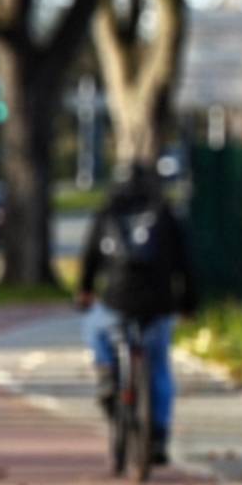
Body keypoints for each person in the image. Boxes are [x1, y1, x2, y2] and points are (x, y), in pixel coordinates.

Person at [77, 164, 201, 466]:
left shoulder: (107, 212)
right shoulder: (166, 215)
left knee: (94, 327)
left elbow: (90, 256)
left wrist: (85, 291)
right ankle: (157, 433)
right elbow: (185, 263)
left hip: (116, 300)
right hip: (159, 303)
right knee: (158, 366)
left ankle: (107, 371)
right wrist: (188, 303)